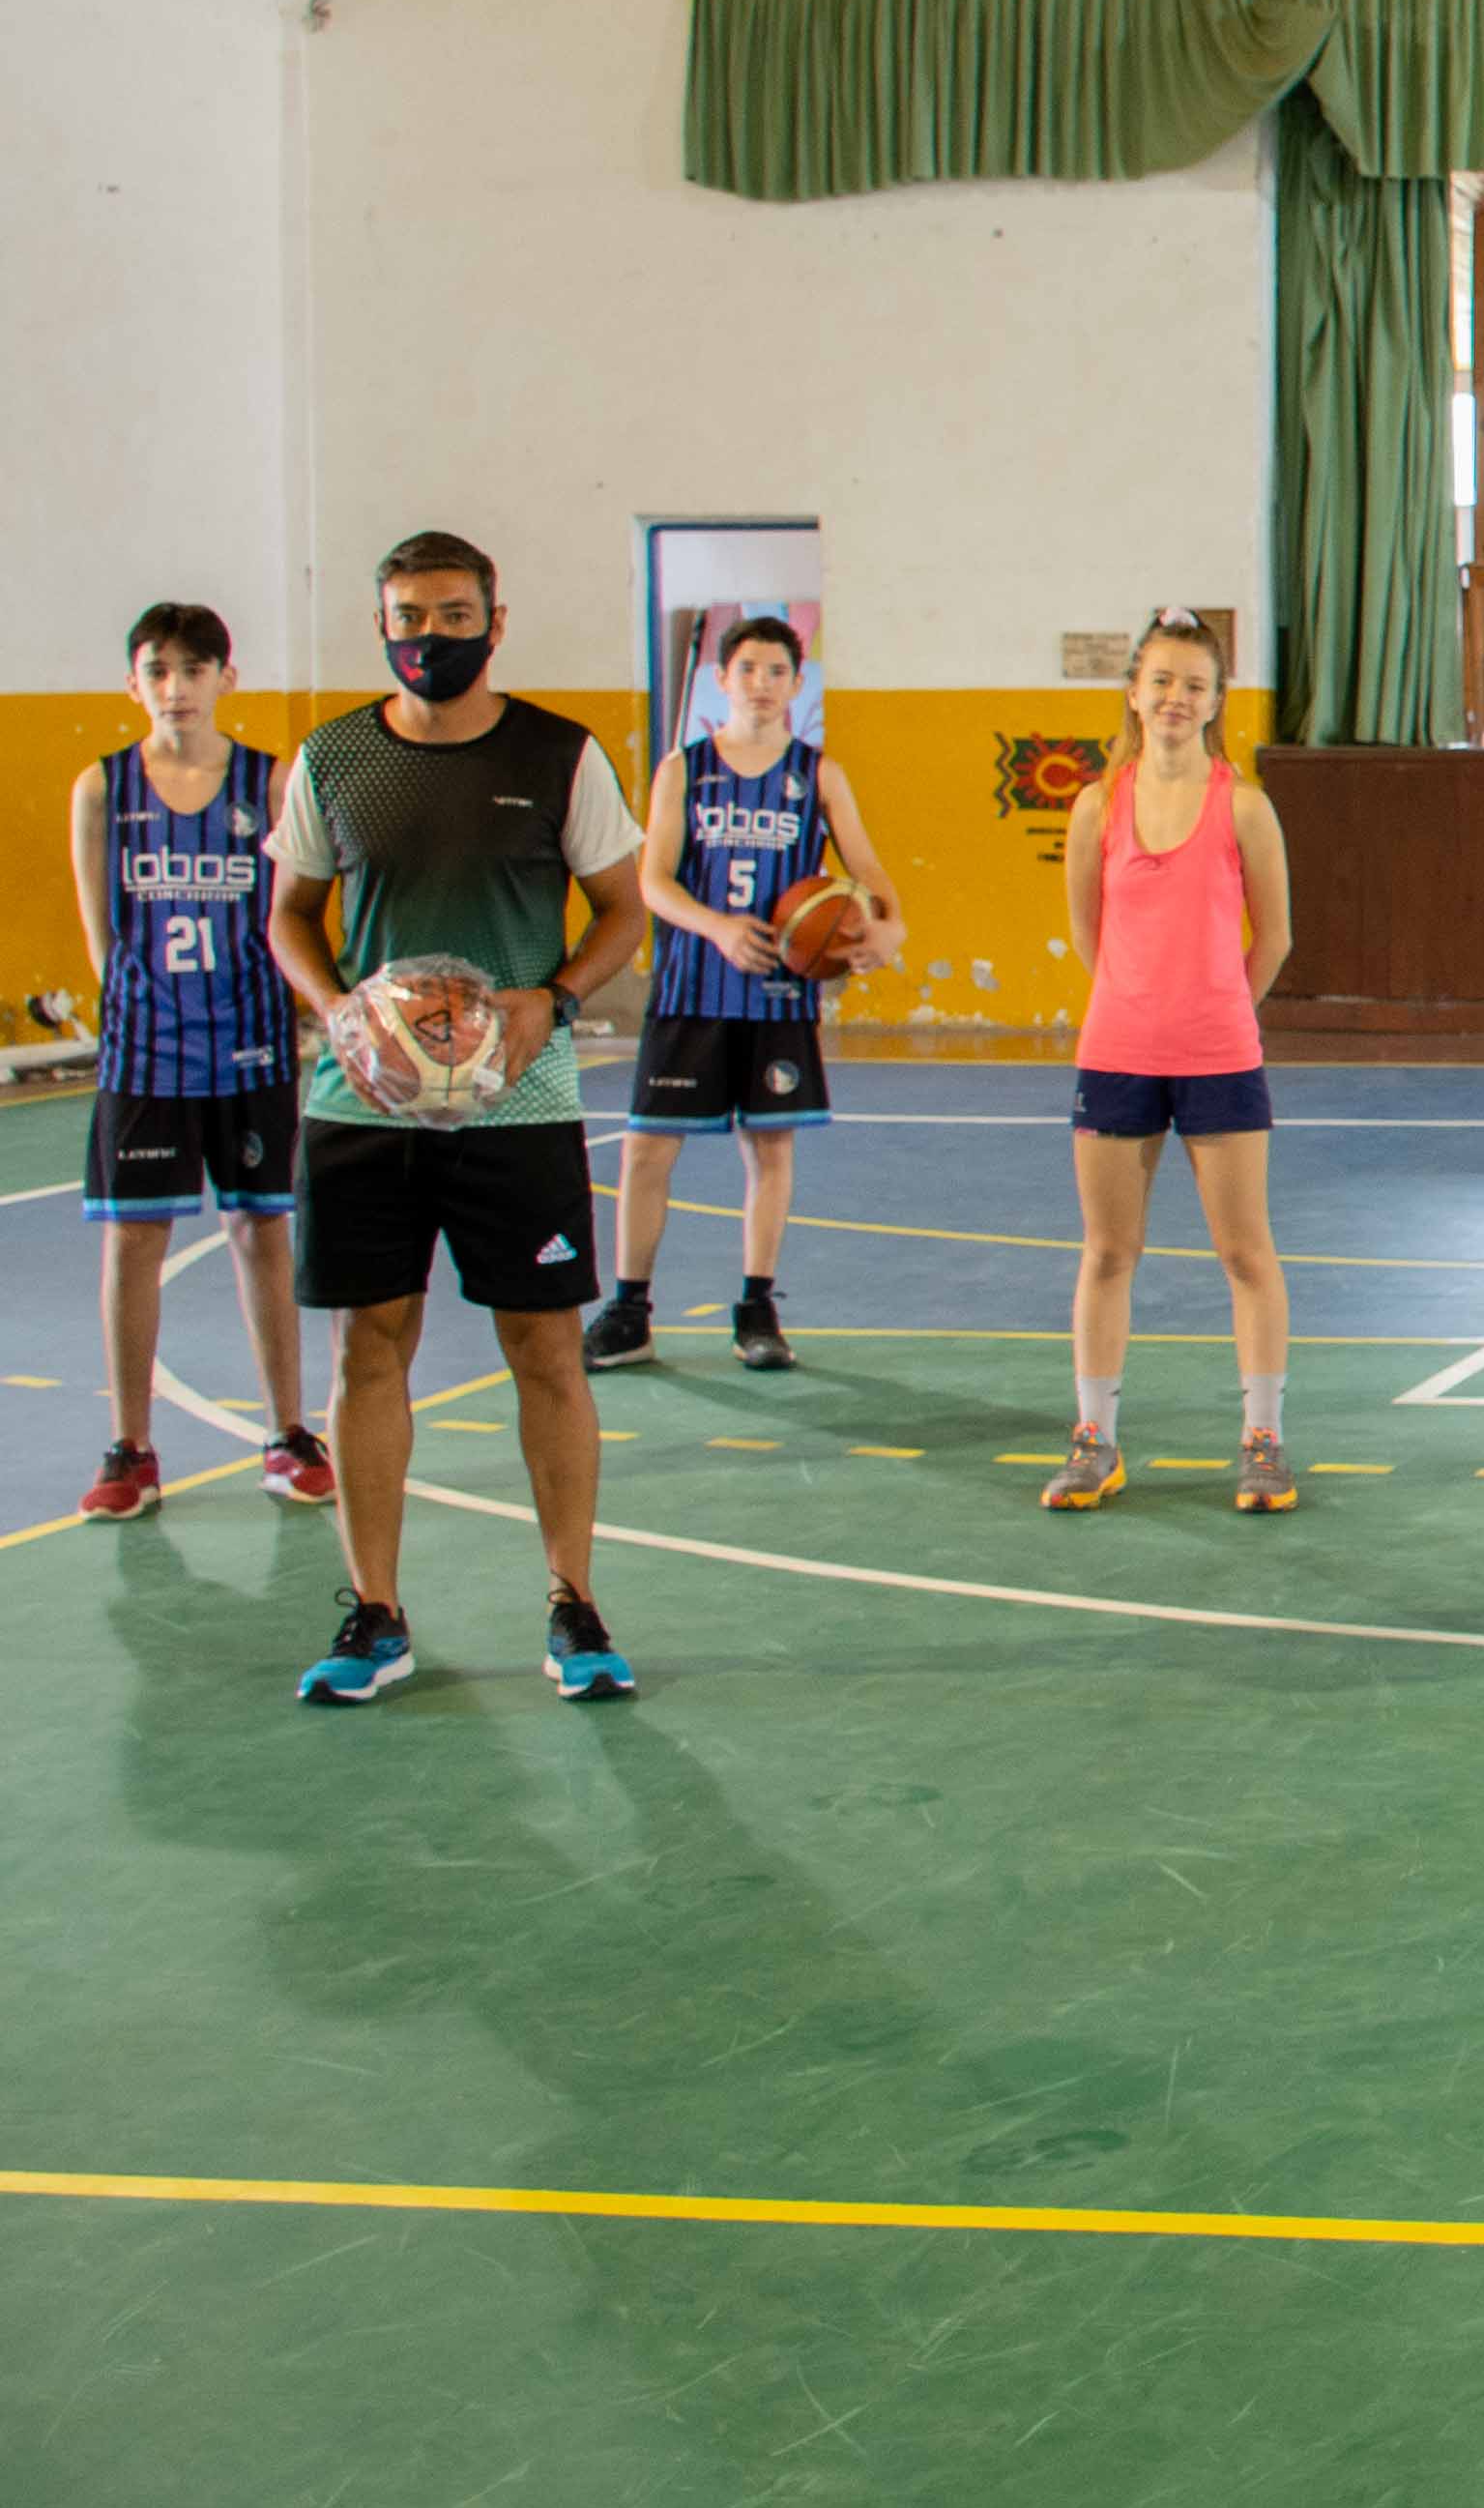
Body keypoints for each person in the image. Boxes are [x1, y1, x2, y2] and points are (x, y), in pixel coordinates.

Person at [262, 530, 654, 1705]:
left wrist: (556, 997)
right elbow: (289, 912)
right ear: (381, 625)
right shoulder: (332, 759)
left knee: (543, 1350)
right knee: (367, 1347)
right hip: (363, 1109)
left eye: (449, 613)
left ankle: (572, 1602)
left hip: (519, 1111)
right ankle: (376, 1612)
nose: (426, 636)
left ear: (495, 617)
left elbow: (624, 909)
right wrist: (338, 1010)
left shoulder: (561, 754)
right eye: (405, 615)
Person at [593, 614, 902, 1378]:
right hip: (692, 993)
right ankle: (630, 1308)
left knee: (770, 1152)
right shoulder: (683, 770)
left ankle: (756, 1306)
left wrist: (888, 931)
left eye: (777, 672)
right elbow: (653, 881)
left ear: (798, 685)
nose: (761, 684)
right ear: (720, 680)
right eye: (748, 669)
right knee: (645, 1151)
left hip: (778, 1003)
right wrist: (717, 927)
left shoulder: (818, 774)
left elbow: (872, 876)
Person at [1043, 612, 1295, 1517]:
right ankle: (1094, 1440)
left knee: (1245, 1251)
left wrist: (1216, 1010)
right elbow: (1088, 932)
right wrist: (1139, 1005)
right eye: (1161, 681)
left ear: (1217, 701)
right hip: (1117, 1053)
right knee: (1109, 1251)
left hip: (1221, 1056)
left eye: (1194, 685)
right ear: (1134, 692)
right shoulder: (1095, 805)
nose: (1176, 699)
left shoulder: (1245, 806)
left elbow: (1276, 939)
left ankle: (1262, 1439)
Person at [64, 603, 312, 1522]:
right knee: (133, 1243)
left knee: (263, 1234)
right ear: (135, 682)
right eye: (158, 670)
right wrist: (142, 1019)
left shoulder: (271, 781)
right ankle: (132, 1446)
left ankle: (287, 1434)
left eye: (193, 669)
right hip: (146, 1057)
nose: (176, 687)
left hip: (251, 1050)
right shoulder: (103, 788)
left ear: (226, 678)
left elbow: (294, 913)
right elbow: (101, 937)